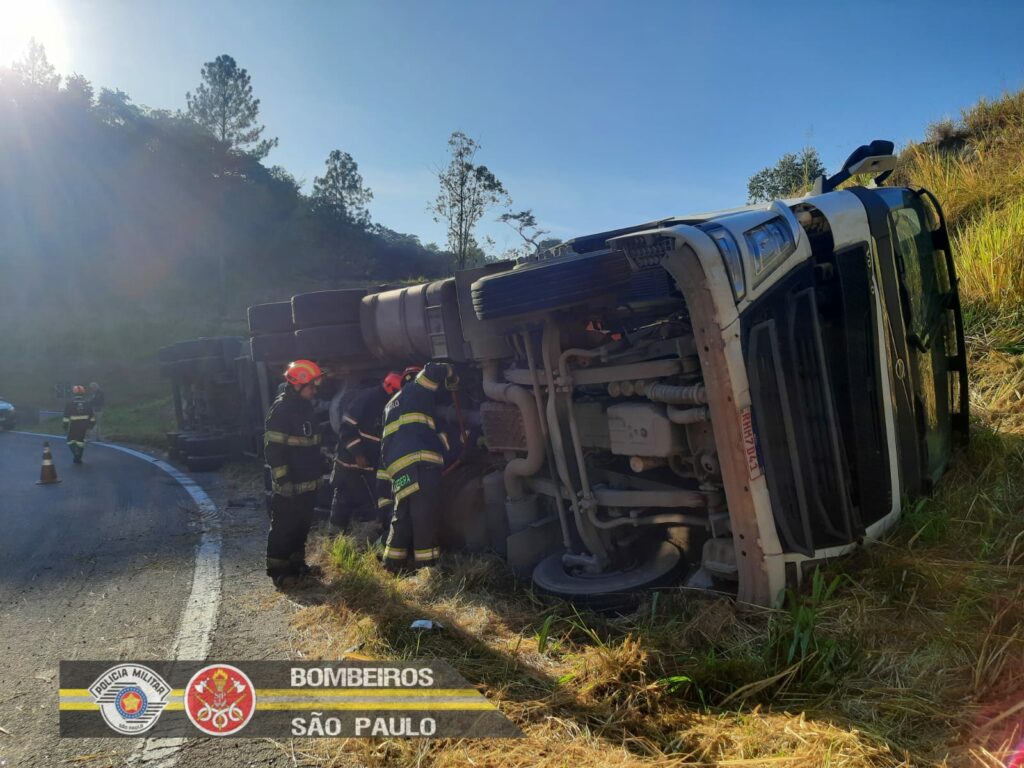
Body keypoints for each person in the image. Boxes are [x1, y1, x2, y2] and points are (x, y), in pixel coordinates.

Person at [378, 362, 459, 574]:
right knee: (425, 515)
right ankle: (427, 569)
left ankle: (392, 564)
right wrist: (451, 374)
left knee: (402, 516)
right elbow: (433, 369)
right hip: (420, 461)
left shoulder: (390, 405)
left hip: (398, 467)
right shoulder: (416, 389)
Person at [264, 359, 325, 589]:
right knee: (284, 528)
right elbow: (274, 450)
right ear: (298, 384)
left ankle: (297, 565)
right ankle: (279, 572)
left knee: (301, 526)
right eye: (312, 385)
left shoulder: (306, 408)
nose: (315, 390)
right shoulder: (281, 411)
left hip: (307, 484)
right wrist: (283, 481)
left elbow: (311, 444)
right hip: (290, 485)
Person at [329, 372, 402, 532]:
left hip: (368, 463)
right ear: (390, 388)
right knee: (344, 498)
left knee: (368, 500)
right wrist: (358, 454)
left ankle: (368, 536)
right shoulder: (368, 399)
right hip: (350, 461)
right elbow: (347, 428)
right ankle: (334, 537)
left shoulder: (389, 404)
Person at [63, 385, 96, 464]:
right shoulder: (87, 404)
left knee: (70, 441)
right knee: (81, 441)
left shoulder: (70, 404)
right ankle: (79, 457)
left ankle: (76, 454)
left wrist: (65, 426)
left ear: (74, 393)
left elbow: (66, 417)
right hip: (83, 426)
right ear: (83, 393)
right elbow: (92, 417)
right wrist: (90, 426)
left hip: (73, 426)